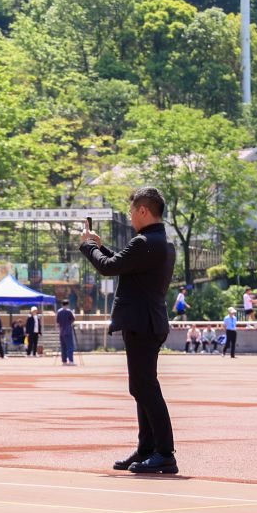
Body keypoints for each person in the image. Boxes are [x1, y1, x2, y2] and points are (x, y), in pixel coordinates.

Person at [79, 187, 178, 474]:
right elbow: (122, 264)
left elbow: (109, 267)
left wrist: (88, 246)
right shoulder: (159, 242)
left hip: (142, 323)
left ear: (143, 211)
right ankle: (148, 448)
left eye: (132, 211)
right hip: (148, 321)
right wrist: (99, 247)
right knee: (142, 387)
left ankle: (164, 453)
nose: (131, 216)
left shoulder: (144, 242)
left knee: (145, 387)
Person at [56, 299, 76, 365]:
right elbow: (73, 319)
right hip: (68, 331)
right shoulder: (69, 311)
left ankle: (64, 361)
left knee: (63, 347)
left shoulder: (59, 311)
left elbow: (57, 322)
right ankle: (71, 361)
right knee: (70, 346)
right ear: (67, 305)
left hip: (61, 332)